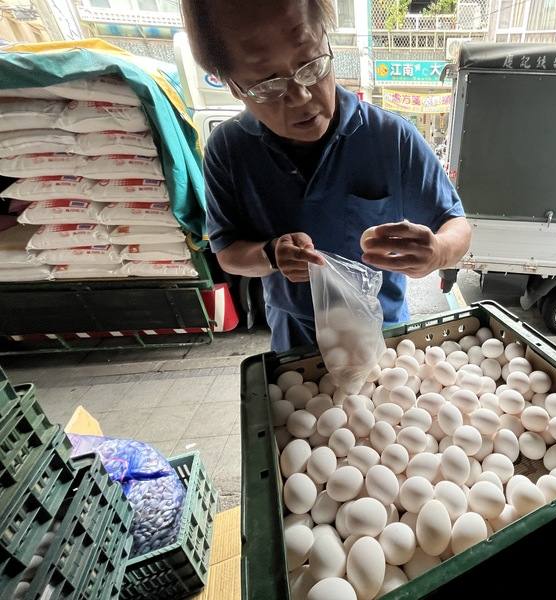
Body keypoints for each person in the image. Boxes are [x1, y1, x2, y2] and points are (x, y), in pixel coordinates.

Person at [182, 0, 471, 352]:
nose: (302, 97)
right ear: (233, 86)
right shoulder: (228, 150)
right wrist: (271, 254)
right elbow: (227, 251)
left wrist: (438, 251)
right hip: (294, 338)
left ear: (326, 42)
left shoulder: (391, 138)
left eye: (311, 66)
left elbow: (456, 223)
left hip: (383, 333)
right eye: (269, 85)